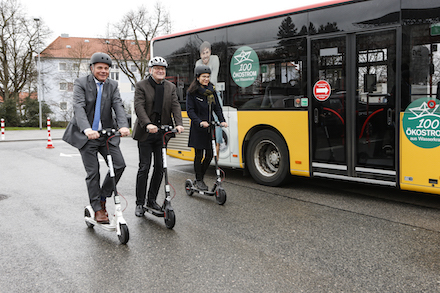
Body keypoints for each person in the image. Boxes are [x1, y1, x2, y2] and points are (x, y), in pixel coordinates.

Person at [63, 52, 130, 224]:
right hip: (87, 136)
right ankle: (97, 208)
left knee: (119, 165)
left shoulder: (112, 85)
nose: (103, 71)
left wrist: (123, 125)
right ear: (92, 68)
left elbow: (118, 105)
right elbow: (78, 107)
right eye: (100, 67)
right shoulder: (81, 83)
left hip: (106, 134)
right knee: (93, 172)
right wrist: (86, 129)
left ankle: (102, 196)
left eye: (106, 68)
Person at [132, 56, 184, 216]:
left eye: (163, 69)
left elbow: (175, 105)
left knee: (160, 167)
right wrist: (148, 124)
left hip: (162, 134)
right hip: (145, 134)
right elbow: (139, 107)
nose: (160, 71)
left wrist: (179, 123)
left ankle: (151, 200)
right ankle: (140, 203)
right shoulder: (142, 86)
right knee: (144, 167)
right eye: (157, 68)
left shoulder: (170, 87)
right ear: (150, 70)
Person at [186, 65, 227, 190]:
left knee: (210, 155)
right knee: (199, 155)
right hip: (198, 128)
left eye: (208, 77)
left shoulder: (212, 91)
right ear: (198, 78)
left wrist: (222, 120)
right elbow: (190, 111)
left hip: (210, 127)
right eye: (204, 77)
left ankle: (200, 177)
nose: (206, 79)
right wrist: (199, 121)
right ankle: (199, 180)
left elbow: (217, 108)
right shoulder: (192, 92)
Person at [195, 41, 223, 156]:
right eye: (203, 53)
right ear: (200, 55)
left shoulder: (215, 59)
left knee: (218, 119)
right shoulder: (198, 63)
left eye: (207, 52)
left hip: (213, 90)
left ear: (210, 52)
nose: (205, 55)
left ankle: (217, 145)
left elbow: (213, 77)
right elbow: (197, 79)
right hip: (201, 92)